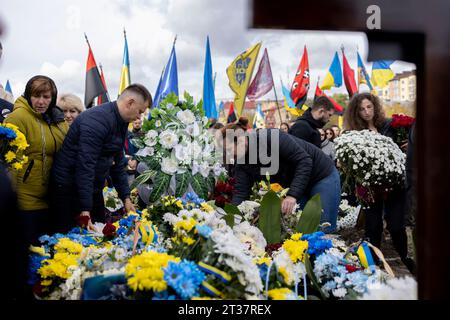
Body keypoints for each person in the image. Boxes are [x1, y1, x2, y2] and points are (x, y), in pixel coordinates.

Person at [50, 84, 152, 232]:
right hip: (69, 188)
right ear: (130, 103)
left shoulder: (120, 121)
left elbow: (117, 163)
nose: (139, 117)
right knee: (72, 241)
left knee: (101, 232)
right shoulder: (97, 120)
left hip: (91, 188)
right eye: (140, 111)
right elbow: (85, 165)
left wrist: (126, 198)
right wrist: (85, 210)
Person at [4, 75, 68, 298]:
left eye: (46, 97)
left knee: (46, 257)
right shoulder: (18, 116)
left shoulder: (52, 119)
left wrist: (60, 120)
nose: (41, 101)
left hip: (48, 198)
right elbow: (8, 158)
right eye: (36, 96)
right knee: (28, 259)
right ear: (28, 96)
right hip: (25, 199)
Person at [344, 92, 415, 273]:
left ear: (375, 107)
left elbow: (410, 140)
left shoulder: (391, 126)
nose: (366, 112)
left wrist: (409, 144)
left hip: (394, 185)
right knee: (373, 227)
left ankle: (405, 258)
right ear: (356, 113)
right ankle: (374, 266)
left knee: (396, 225)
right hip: (369, 188)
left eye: (369, 107)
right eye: (361, 109)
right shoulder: (354, 134)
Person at [223, 124, 340, 233]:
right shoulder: (241, 161)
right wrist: (230, 219)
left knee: (324, 226)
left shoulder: (271, 137)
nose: (229, 154)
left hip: (321, 175)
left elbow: (304, 160)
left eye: (229, 149)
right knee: (301, 229)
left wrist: (292, 195)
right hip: (297, 184)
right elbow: (241, 193)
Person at [124, 115, 144, 185]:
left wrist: (136, 159)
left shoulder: (144, 135)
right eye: (136, 123)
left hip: (139, 163)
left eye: (139, 123)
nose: (137, 125)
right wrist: (128, 160)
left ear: (141, 123)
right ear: (132, 123)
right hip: (128, 163)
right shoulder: (128, 135)